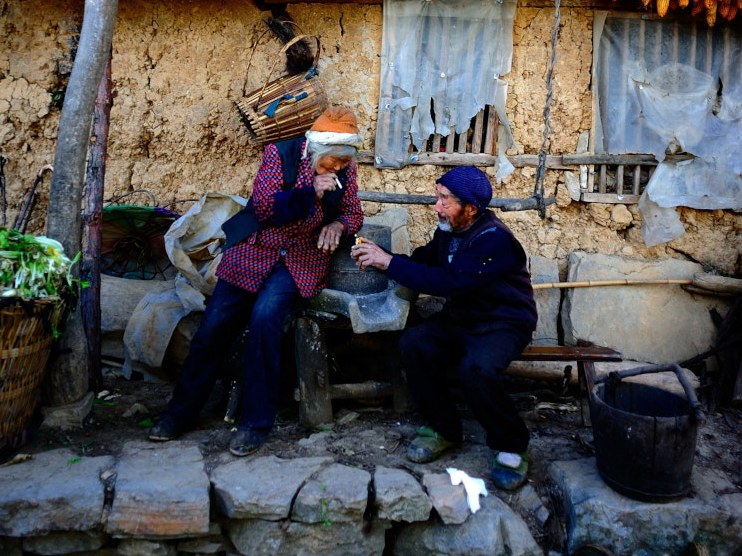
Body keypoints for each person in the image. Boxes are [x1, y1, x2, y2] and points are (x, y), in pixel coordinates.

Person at [150, 106, 364, 455]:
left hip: (300, 258)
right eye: (333, 162)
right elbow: (265, 208)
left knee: (265, 319)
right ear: (315, 151)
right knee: (213, 327)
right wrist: (312, 191)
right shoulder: (279, 154)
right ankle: (180, 413)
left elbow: (353, 210)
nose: (338, 168)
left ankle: (255, 423)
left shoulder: (346, 169)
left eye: (344, 162)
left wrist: (338, 225)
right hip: (255, 250)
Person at [351, 165, 537, 490]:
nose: (436, 206)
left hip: (503, 322)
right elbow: (425, 260)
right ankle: (443, 429)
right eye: (438, 196)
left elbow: (449, 282)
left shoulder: (494, 240)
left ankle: (511, 445)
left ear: (471, 208)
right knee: (415, 344)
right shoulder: (450, 228)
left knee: (477, 370)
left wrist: (389, 263)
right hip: (464, 318)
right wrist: (381, 257)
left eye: (444, 200)